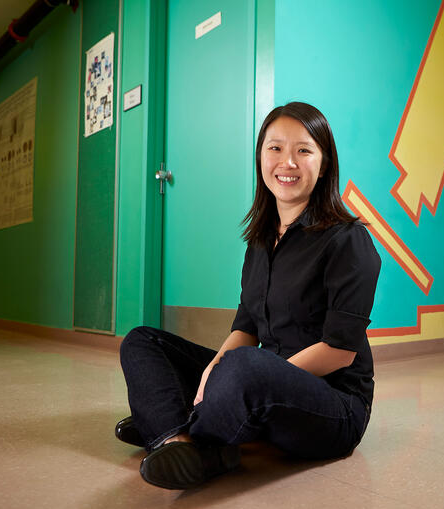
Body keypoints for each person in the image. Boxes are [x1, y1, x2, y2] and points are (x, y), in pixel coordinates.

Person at [117, 102, 381, 489]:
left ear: (324, 164)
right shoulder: (259, 242)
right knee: (143, 341)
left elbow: (340, 351)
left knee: (244, 367)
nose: (287, 162)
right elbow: (246, 328)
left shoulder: (348, 240)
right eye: (275, 148)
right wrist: (212, 373)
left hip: (334, 405)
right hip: (260, 381)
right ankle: (179, 441)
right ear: (260, 158)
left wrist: (249, 376)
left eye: (303, 150)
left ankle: (172, 426)